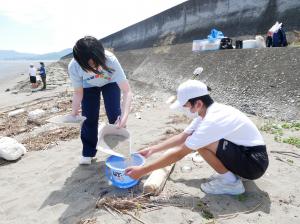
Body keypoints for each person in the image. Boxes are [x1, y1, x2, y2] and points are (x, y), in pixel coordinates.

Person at [125, 80, 269, 195]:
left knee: (200, 143)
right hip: (246, 154)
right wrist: (152, 150)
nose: (185, 110)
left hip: (254, 164)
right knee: (197, 140)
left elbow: (180, 152)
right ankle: (231, 176)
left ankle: (231, 183)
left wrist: (142, 171)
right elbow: (183, 136)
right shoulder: (207, 112)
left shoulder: (212, 119)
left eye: (186, 106)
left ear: (198, 103)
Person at [68, 36, 133, 165]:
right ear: (79, 61)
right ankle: (88, 153)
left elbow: (127, 91)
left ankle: (120, 149)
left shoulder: (110, 60)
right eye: (89, 65)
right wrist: (74, 112)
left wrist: (124, 117)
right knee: (88, 118)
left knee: (116, 116)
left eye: (96, 63)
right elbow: (78, 92)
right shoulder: (74, 66)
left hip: (110, 83)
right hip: (88, 87)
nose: (95, 68)